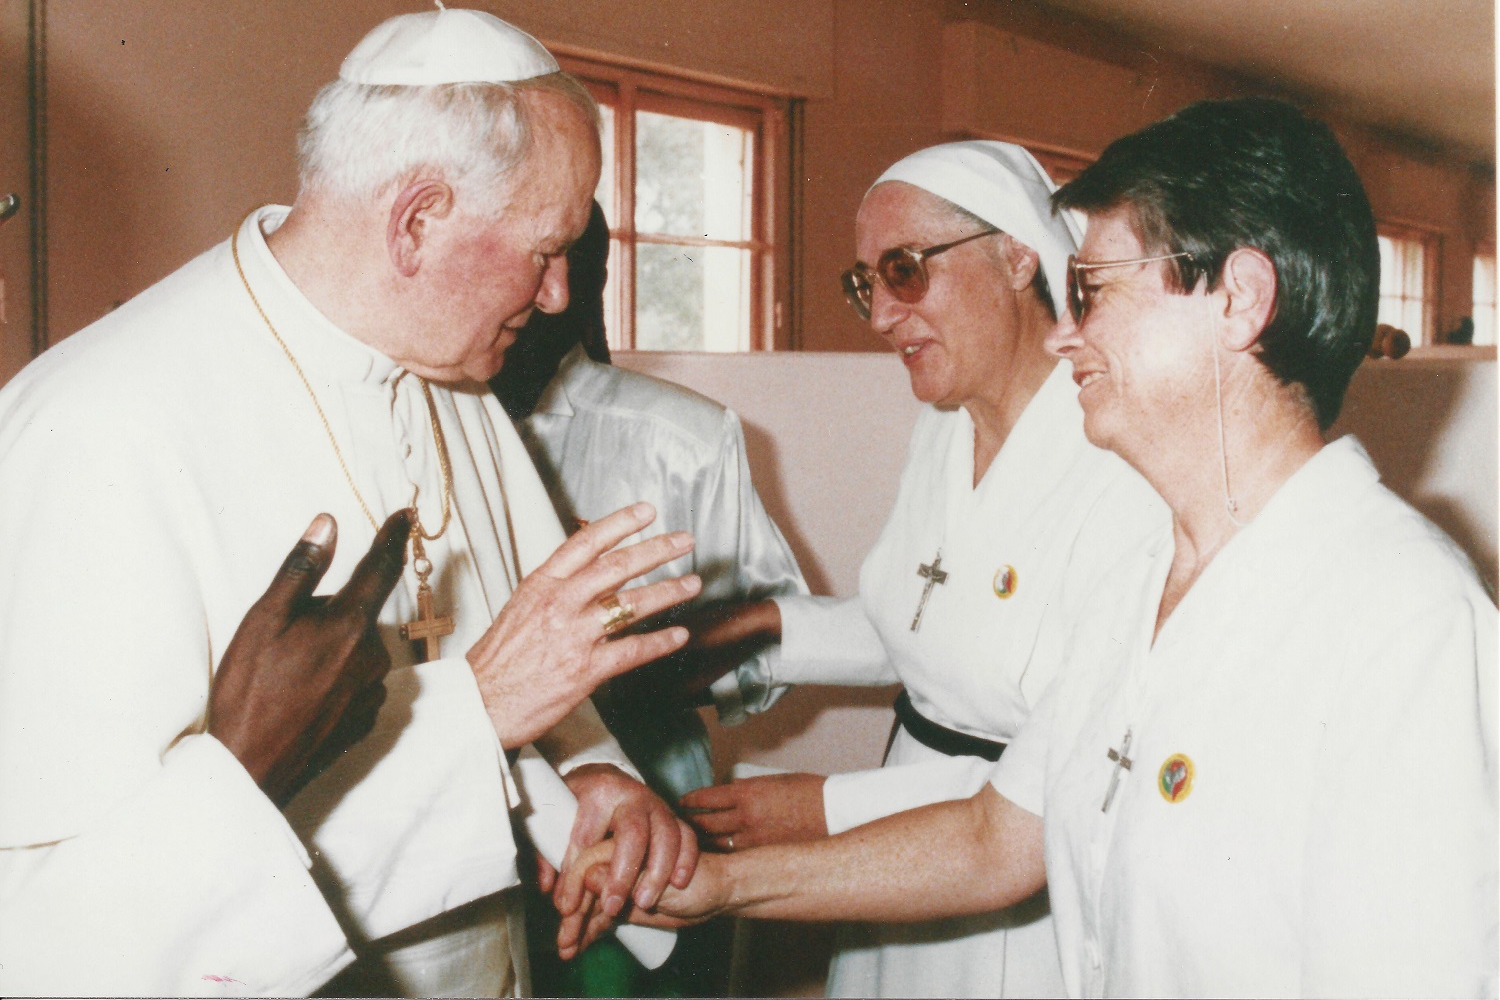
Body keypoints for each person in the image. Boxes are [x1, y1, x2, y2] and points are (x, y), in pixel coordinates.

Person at [561, 98, 1499, 999]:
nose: (1062, 333)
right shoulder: (1152, 582)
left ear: (1239, 300)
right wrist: (717, 890)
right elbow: (993, 841)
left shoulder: (1402, 620)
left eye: (1091, 291)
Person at [0, 8, 702, 998]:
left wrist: (588, 778)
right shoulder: (99, 428)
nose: (556, 297)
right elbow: (68, 936)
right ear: (417, 221)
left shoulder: (450, 368)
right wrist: (483, 711)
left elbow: (533, 675)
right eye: (547, 249)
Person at [671, 141, 1166, 998]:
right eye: (866, 282)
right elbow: (929, 615)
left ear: (1017, 254)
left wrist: (827, 809)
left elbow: (1057, 764)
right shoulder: (946, 424)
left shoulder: (1117, 460)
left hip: (1015, 870)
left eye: (905, 270)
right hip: (908, 834)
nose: (879, 316)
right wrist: (759, 629)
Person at [493, 199, 807, 995]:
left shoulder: (682, 438)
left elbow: (776, 632)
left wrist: (635, 664)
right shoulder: (429, 425)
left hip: (650, 799)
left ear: (587, 281)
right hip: (481, 811)